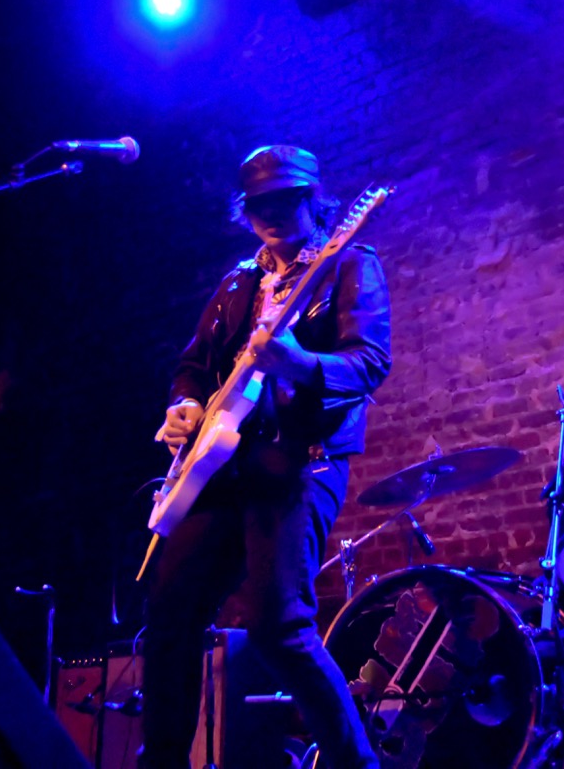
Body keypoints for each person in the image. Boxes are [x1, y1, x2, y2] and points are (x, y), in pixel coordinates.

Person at [139, 145, 390, 769]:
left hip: (300, 461)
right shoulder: (237, 282)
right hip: (223, 465)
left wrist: (299, 364)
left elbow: (369, 362)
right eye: (259, 207)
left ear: (312, 199)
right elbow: (194, 366)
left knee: (280, 627)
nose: (272, 216)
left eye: (284, 201)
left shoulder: (346, 262)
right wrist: (184, 405)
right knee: (169, 618)